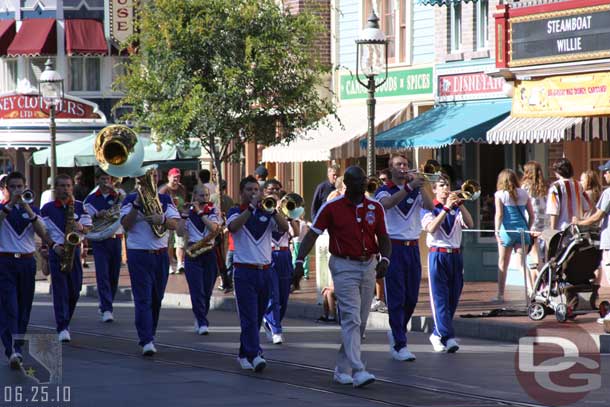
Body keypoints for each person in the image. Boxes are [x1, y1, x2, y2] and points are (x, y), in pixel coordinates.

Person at [294, 166, 391, 388]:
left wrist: (385, 260)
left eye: (364, 180)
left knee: (361, 323)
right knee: (351, 319)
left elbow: (384, 236)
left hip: (369, 265)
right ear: (347, 183)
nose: (363, 184)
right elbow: (311, 235)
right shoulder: (332, 207)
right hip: (343, 265)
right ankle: (358, 370)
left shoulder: (374, 207)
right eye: (358, 181)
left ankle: (341, 369)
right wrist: (299, 262)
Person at [375, 154, 434, 361]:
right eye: (399, 165)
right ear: (390, 169)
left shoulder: (414, 189)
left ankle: (397, 330)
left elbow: (429, 206)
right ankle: (400, 344)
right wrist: (408, 188)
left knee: (411, 298)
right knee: (397, 297)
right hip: (393, 247)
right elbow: (388, 204)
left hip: (412, 248)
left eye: (406, 165)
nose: (403, 168)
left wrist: (421, 185)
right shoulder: (383, 191)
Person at [227, 175, 289, 372]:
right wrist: (252, 209)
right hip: (244, 271)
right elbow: (232, 227)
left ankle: (244, 353)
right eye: (249, 190)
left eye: (256, 190)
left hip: (265, 271)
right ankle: (255, 354)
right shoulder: (235, 211)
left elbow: (285, 228)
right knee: (249, 317)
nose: (254, 193)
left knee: (257, 316)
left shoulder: (267, 212)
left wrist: (272, 211)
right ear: (241, 193)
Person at [120, 170, 180, 356]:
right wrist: (137, 205)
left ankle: (149, 334)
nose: (151, 181)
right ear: (139, 180)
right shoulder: (129, 200)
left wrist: (161, 219)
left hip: (160, 255)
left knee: (156, 298)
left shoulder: (165, 200)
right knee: (143, 298)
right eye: (147, 178)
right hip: (139, 254)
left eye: (154, 177)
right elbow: (126, 225)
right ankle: (146, 339)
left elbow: (175, 224)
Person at [0, 172, 51, 369]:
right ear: (5, 189)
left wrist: (28, 210)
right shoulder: (3, 208)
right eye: (12, 187)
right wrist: (11, 204)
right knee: (9, 306)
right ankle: (11, 349)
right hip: (5, 262)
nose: (17, 191)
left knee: (24, 308)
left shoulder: (32, 209)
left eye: (20, 187)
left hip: (27, 263)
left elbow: (43, 233)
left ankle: (17, 346)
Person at [422, 174, 474, 353]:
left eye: (448, 185)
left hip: (456, 256)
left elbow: (470, 223)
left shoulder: (456, 208)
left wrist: (460, 204)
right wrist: (445, 208)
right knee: (440, 298)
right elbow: (431, 228)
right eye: (441, 185)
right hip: (438, 255)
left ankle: (438, 334)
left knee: (453, 297)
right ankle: (448, 336)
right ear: (434, 189)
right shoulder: (429, 207)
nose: (446, 188)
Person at [41, 174, 92, 342]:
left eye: (68, 186)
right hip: (57, 252)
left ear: (72, 187)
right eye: (62, 186)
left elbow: (89, 229)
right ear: (56, 188)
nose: (66, 189)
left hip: (75, 251)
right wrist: (49, 248)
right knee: (60, 290)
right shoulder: (48, 208)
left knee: (75, 290)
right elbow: (43, 232)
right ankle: (62, 326)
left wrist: (80, 226)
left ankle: (66, 320)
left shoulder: (79, 206)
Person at [177, 186, 221, 335]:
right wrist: (184, 214)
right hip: (193, 252)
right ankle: (202, 321)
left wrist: (201, 213)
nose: (205, 198)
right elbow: (179, 231)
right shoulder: (187, 212)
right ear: (194, 196)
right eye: (201, 195)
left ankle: (200, 316)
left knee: (207, 291)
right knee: (197, 290)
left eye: (207, 195)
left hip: (209, 252)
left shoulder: (213, 210)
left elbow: (214, 229)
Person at [261, 180, 299, 345]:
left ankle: (272, 321)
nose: (274, 192)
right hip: (269, 255)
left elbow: (296, 234)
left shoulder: (284, 212)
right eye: (271, 189)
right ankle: (276, 329)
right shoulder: (261, 212)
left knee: (283, 297)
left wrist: (290, 218)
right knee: (273, 296)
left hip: (284, 256)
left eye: (277, 189)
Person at [84, 169, 124, 323]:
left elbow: (126, 211)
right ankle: (107, 308)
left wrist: (120, 196)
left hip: (116, 239)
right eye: (102, 178)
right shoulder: (91, 199)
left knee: (114, 275)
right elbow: (87, 219)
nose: (106, 181)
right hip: (100, 241)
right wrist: (96, 215)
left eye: (108, 178)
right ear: (97, 181)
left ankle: (106, 303)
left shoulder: (119, 196)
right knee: (103, 275)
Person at [573, 160, 610, 326]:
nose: (604, 174)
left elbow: (598, 216)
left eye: (607, 171)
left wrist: (579, 222)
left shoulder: (608, 193)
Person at [494, 169, 534, 303]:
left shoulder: (500, 195)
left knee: (502, 263)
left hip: (507, 231)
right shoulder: (524, 193)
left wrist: (496, 231)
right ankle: (531, 289)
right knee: (522, 263)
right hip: (522, 231)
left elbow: (499, 215)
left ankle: (500, 294)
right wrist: (527, 227)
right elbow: (531, 214)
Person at [546, 158, 590, 231]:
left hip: (562, 229)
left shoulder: (555, 187)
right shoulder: (579, 185)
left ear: (558, 171)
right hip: (577, 228)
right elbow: (587, 206)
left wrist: (552, 231)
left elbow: (553, 210)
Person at [159, 168, 187, 274]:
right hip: (168, 219)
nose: (177, 178)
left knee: (180, 242)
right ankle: (170, 264)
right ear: (169, 177)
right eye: (174, 176)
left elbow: (184, 200)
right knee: (169, 243)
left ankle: (180, 263)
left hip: (179, 218)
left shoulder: (182, 188)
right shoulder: (164, 190)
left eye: (178, 176)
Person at [521, 161, 547, 272]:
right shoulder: (545, 186)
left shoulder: (526, 186)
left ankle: (538, 283)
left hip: (532, 222)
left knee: (534, 254)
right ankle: (544, 279)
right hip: (545, 222)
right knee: (543, 255)